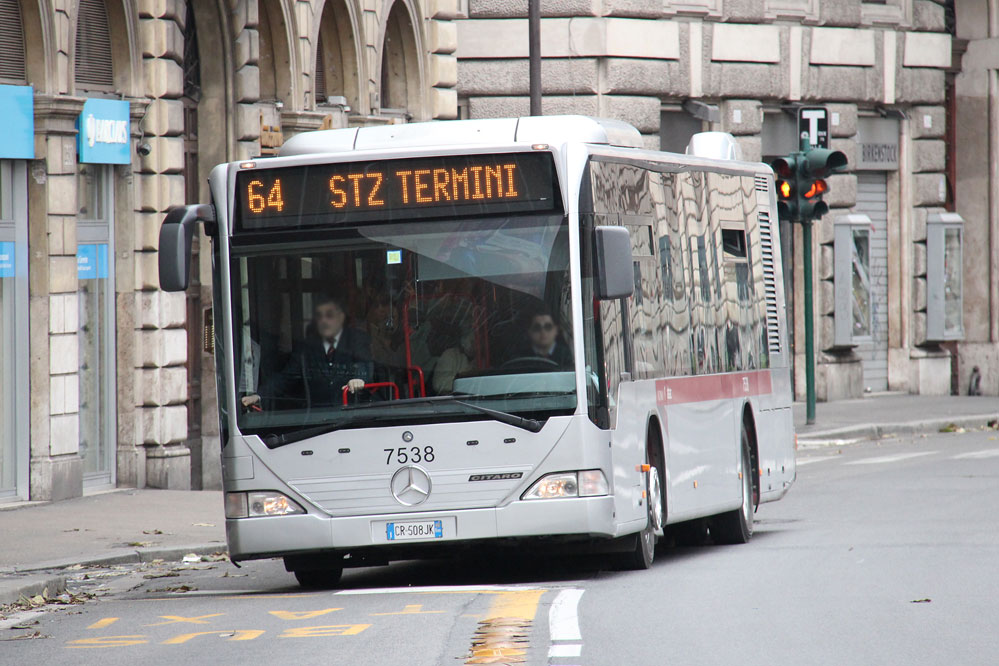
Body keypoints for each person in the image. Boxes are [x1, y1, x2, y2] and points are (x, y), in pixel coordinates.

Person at [241, 294, 372, 410]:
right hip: (316, 423)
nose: (323, 321)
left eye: (329, 315)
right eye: (319, 316)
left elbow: (365, 365)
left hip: (352, 417)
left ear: (341, 317)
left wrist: (359, 379)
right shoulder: (307, 347)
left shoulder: (356, 340)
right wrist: (259, 396)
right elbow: (285, 378)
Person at [433, 330, 474, 394]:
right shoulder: (450, 355)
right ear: (464, 342)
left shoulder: (484, 359)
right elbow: (439, 383)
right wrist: (467, 383)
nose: (477, 345)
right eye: (472, 342)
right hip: (451, 401)